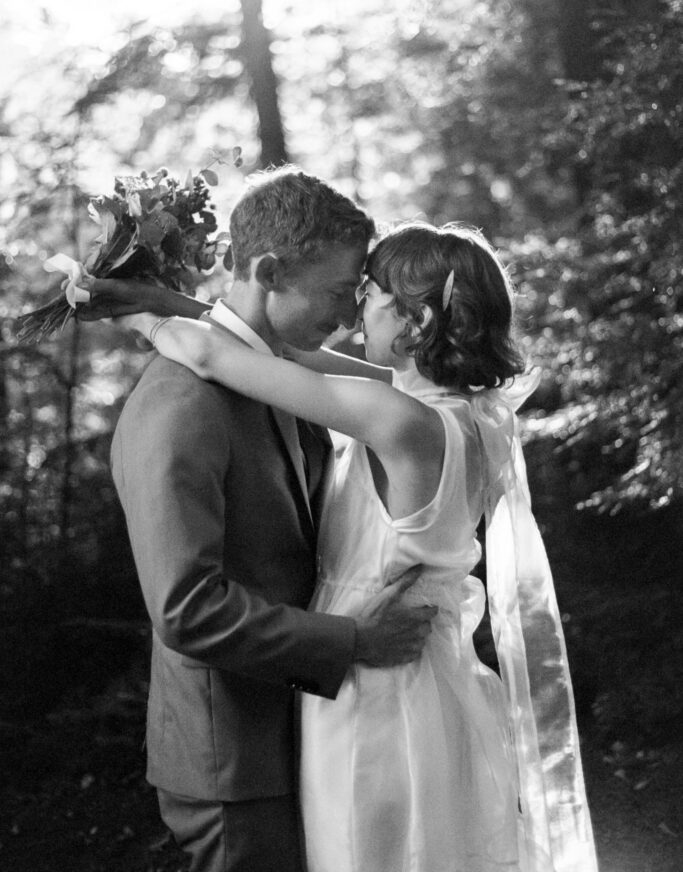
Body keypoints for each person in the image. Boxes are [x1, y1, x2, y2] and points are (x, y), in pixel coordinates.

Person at [97, 220, 599, 872]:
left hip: (377, 688)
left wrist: (141, 321)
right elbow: (279, 347)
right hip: (428, 677)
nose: (356, 305)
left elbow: (225, 358)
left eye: (371, 293)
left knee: (368, 849)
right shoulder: (458, 410)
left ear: (415, 322)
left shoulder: (399, 419)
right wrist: (173, 302)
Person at [96, 167, 437, 872]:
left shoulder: (275, 376)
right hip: (234, 762)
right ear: (270, 270)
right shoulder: (181, 405)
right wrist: (351, 641)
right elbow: (188, 609)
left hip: (303, 733)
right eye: (339, 291)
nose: (348, 316)